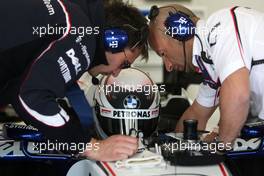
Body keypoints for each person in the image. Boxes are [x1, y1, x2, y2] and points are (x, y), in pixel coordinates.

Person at [0, 0, 149, 161]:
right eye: (124, 63)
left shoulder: (72, 13)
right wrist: (93, 147)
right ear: (113, 39)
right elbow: (32, 97)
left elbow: (17, 87)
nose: (116, 72)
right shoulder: (81, 34)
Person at [148, 4, 264, 145]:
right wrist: (172, 145)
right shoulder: (211, 59)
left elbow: (238, 96)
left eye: (163, 53)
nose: (168, 66)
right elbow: (197, 114)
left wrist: (219, 146)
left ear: (180, 30)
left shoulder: (220, 27)